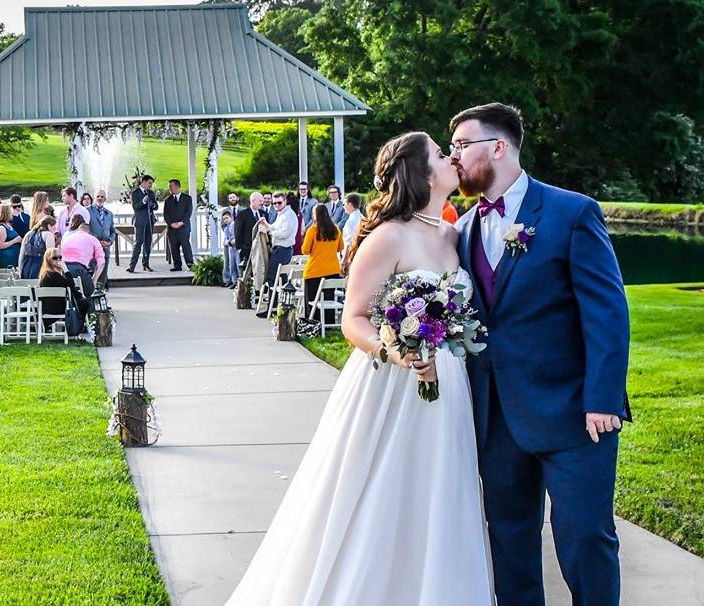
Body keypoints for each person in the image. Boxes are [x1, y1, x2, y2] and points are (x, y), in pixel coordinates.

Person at [226, 132, 494, 605]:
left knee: (438, 492)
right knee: (379, 490)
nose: (451, 157)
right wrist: (396, 352)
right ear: (420, 172)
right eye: (439, 153)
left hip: (446, 383)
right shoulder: (389, 236)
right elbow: (353, 320)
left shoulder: (455, 234)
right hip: (390, 380)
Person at [451, 102, 629, 606]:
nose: (454, 157)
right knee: (509, 541)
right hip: (496, 417)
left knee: (584, 538)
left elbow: (608, 315)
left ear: (499, 147)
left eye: (463, 146)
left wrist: (603, 399)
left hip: (574, 414)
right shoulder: (460, 231)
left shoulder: (571, 212)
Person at [256, 191, 298, 316]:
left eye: (279, 202)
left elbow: (284, 233)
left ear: (285, 201)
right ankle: (279, 308)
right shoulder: (282, 214)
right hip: (279, 249)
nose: (277, 205)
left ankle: (272, 309)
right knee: (279, 279)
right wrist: (267, 224)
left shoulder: (289, 215)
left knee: (273, 278)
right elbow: (275, 227)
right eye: (274, 203)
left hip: (283, 250)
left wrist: (269, 230)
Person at [301, 204, 344, 323]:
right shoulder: (335, 229)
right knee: (328, 299)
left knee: (312, 299)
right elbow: (341, 247)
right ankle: (329, 323)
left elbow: (305, 250)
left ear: (316, 215)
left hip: (314, 270)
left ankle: (313, 322)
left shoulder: (313, 230)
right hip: (333, 270)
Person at [37, 247, 88, 330]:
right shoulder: (52, 275)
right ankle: (76, 326)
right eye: (55, 258)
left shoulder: (46, 273)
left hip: (49, 307)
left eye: (60, 257)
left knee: (81, 300)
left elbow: (69, 287)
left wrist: (79, 295)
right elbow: (71, 284)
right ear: (48, 260)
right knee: (84, 303)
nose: (58, 260)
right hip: (57, 308)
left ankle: (74, 326)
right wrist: (65, 269)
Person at [61, 214, 105, 300]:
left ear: (78, 229)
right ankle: (88, 311)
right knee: (89, 291)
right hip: (78, 270)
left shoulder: (67, 238)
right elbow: (101, 263)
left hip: (63, 269)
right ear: (89, 232)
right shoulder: (93, 239)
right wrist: (94, 280)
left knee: (68, 293)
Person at [127, 174, 158, 273]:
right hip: (140, 221)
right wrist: (144, 201)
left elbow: (156, 206)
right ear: (144, 182)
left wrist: (153, 204)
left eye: (151, 184)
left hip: (150, 220)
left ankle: (146, 264)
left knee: (148, 243)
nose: (150, 185)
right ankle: (132, 266)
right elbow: (135, 207)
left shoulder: (151, 193)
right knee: (138, 242)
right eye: (149, 183)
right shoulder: (135, 193)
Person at [163, 178, 194, 271]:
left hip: (183, 228)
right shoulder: (167, 200)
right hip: (172, 229)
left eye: (171, 186)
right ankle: (177, 266)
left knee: (186, 247)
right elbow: (166, 214)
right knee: (174, 248)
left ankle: (191, 265)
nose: (170, 188)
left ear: (177, 186)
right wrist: (171, 224)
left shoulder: (187, 198)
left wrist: (181, 222)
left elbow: (188, 212)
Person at [86, 189, 115, 288]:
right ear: (94, 198)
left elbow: (112, 231)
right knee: (93, 271)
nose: (100, 198)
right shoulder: (87, 211)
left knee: (103, 273)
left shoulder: (109, 214)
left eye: (102, 197)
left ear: (105, 199)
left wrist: (110, 242)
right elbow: (85, 229)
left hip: (105, 248)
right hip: (92, 248)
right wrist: (95, 241)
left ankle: (101, 292)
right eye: (98, 196)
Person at [234, 191, 267, 264]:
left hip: (261, 248)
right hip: (247, 249)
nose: (262, 203)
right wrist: (240, 248)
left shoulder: (264, 214)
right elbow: (238, 231)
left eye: (262, 201)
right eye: (260, 201)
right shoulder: (242, 214)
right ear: (253, 201)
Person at [0, 203, 22, 269]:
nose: (12, 214)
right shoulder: (1, 228)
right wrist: (15, 240)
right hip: (6, 259)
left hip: (14, 257)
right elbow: (0, 245)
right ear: (5, 213)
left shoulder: (8, 224)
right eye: (10, 212)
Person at [220, 210, 239, 288]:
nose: (225, 220)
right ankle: (234, 281)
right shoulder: (226, 228)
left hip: (237, 248)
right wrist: (226, 242)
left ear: (231, 217)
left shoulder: (236, 225)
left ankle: (239, 281)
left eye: (227, 218)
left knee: (238, 264)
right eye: (224, 219)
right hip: (230, 248)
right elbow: (226, 239)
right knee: (232, 265)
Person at [341, 193, 363, 259]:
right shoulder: (362, 217)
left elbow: (348, 244)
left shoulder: (350, 221)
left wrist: (343, 262)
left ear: (350, 205)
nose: (343, 206)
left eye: (344, 204)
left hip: (351, 256)